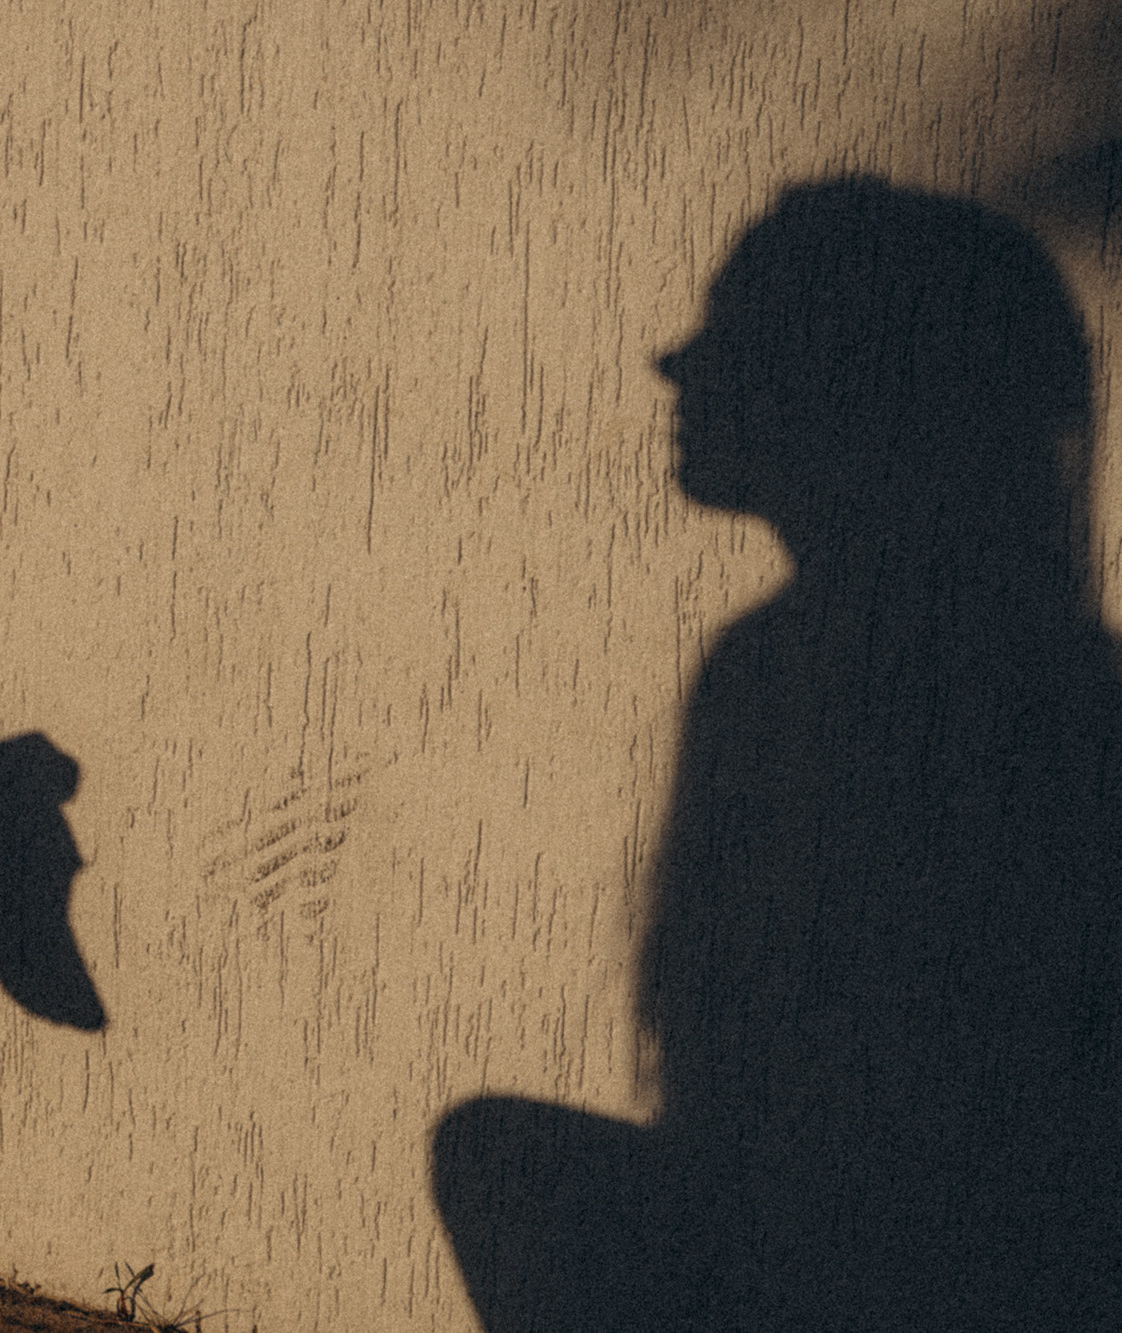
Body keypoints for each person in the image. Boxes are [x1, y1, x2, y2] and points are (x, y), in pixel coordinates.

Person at [434, 178, 1122, 1331]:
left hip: (918, 1272)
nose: (676, 363)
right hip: (826, 1243)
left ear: (863, 379)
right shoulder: (791, 663)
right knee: (500, 1158)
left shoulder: (963, 691)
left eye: (740, 327)